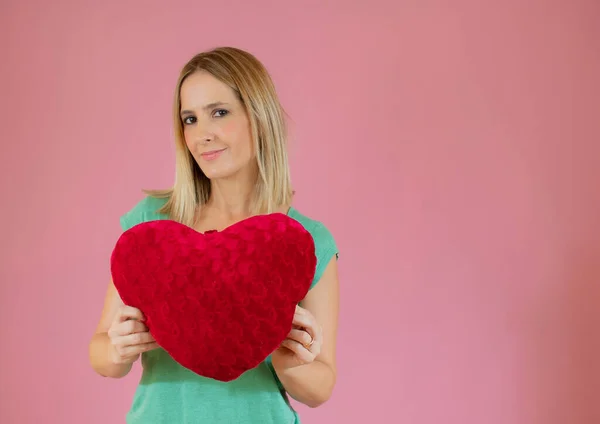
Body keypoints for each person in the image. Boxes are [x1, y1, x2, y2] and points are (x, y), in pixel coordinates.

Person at [88, 46, 340, 424]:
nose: (201, 134)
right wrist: (118, 349)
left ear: (259, 116)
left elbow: (321, 386)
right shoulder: (151, 230)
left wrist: (292, 364)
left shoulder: (305, 241)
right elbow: (102, 353)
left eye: (218, 113)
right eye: (189, 119)